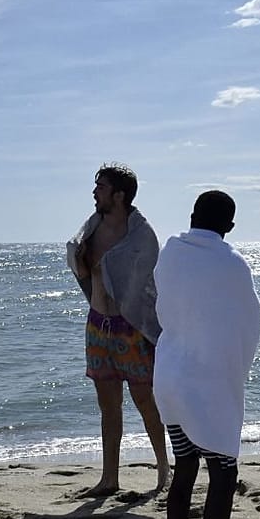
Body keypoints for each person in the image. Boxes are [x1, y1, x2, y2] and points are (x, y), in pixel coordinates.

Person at [154, 191, 260, 519]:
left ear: (192, 215)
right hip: (208, 386)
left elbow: (167, 308)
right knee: (223, 474)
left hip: (170, 376)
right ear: (230, 226)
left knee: (184, 469)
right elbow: (248, 321)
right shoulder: (232, 264)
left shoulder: (170, 252)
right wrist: (236, 368)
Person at [66, 163, 170, 497]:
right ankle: (109, 478)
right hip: (99, 325)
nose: (94, 192)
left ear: (119, 195)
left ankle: (163, 471)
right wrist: (81, 258)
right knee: (108, 406)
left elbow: (147, 286)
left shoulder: (142, 235)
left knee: (145, 400)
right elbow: (85, 273)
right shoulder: (90, 230)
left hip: (132, 328)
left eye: (101, 187)